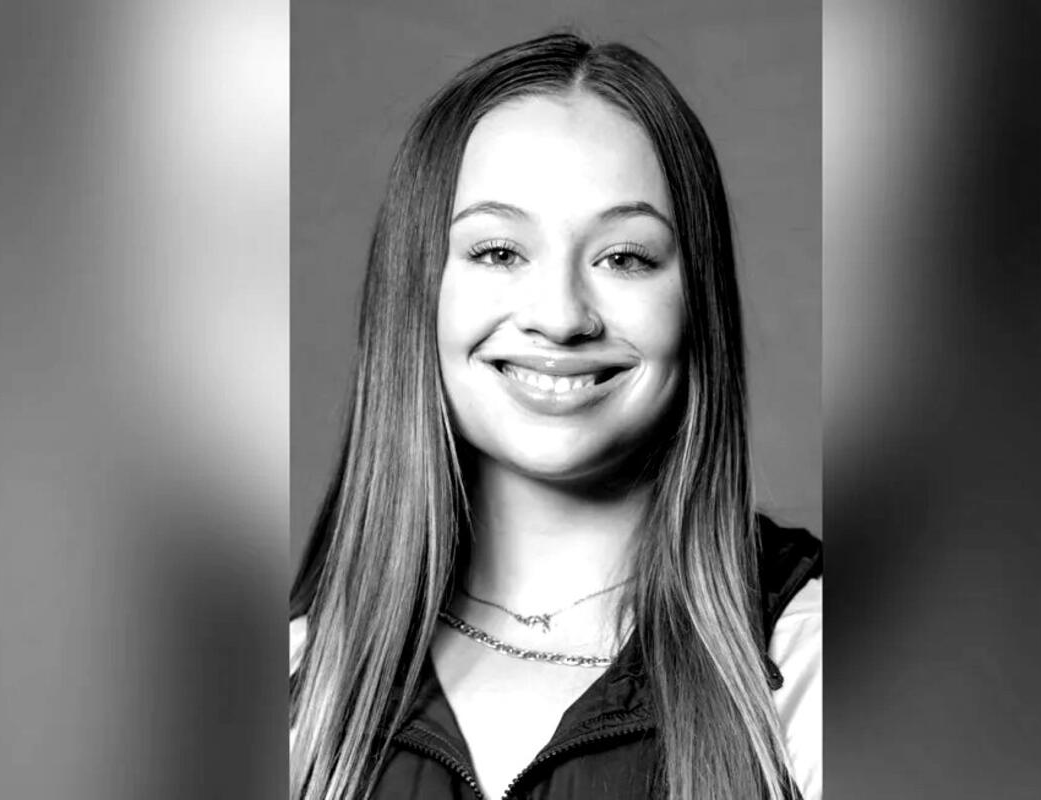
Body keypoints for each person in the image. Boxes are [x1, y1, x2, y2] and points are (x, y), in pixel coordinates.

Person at [289, 32, 822, 800]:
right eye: (500, 252)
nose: (562, 317)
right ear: (418, 292)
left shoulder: (813, 665)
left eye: (624, 257)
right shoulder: (300, 683)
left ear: (695, 303)